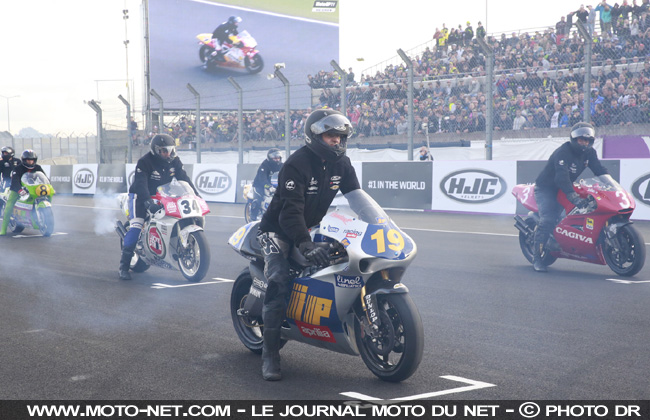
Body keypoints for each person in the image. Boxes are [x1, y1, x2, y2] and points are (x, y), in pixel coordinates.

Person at [256, 109, 360, 381]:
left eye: (339, 136)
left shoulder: (343, 164)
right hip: (278, 230)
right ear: (315, 136)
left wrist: (379, 225)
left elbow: (357, 197)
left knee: (342, 256)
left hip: (311, 227)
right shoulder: (296, 164)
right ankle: (270, 355)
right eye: (330, 136)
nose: (336, 141)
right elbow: (289, 213)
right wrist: (305, 244)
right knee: (279, 279)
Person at [118, 134, 199, 280]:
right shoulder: (145, 162)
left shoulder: (174, 160)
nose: (168, 153)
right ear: (156, 150)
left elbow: (183, 178)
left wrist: (196, 196)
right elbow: (141, 183)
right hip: (140, 196)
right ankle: (123, 266)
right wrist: (147, 201)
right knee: (136, 226)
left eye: (170, 149)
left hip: (162, 195)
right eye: (164, 150)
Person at [531, 122, 608, 272]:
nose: (584, 143)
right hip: (547, 188)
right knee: (548, 219)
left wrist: (614, 185)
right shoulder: (563, 152)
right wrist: (573, 196)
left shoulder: (590, 153)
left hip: (564, 187)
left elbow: (599, 169)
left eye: (587, 140)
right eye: (581, 140)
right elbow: (562, 177)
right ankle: (537, 258)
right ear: (574, 139)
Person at [0, 150, 45, 236]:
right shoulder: (17, 168)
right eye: (28, 160)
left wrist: (48, 185)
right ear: (24, 160)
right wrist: (20, 190)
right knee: (9, 206)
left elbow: (44, 177)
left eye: (32, 160)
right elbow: (15, 182)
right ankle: (3, 229)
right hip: (17, 189)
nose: (30, 162)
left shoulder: (38, 167)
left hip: (32, 188)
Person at [250, 148, 283, 221]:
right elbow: (262, 179)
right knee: (258, 200)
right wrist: (268, 186)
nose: (277, 160)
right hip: (259, 185)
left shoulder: (282, 165)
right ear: (270, 158)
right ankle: (253, 217)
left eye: (278, 158)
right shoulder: (264, 165)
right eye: (275, 158)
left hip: (275, 185)